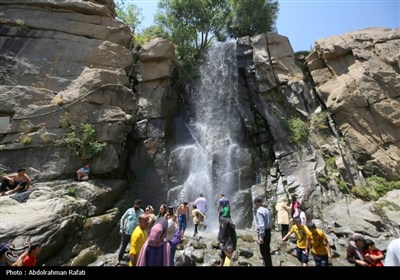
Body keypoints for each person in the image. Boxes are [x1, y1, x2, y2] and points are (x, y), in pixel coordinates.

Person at [116, 199, 144, 266]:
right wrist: (121, 228)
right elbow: (122, 218)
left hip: (135, 233)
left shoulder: (141, 212)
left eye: (137, 205)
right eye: (135, 204)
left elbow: (143, 221)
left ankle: (133, 261)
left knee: (133, 247)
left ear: (140, 205)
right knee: (123, 246)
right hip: (127, 232)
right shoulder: (129, 210)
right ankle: (119, 259)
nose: (136, 206)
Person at [254, 197, 273, 266]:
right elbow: (270, 222)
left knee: (263, 251)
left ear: (256, 203)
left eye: (255, 203)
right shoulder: (266, 210)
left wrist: (261, 236)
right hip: (268, 231)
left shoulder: (259, 211)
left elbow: (262, 225)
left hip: (263, 232)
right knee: (267, 250)